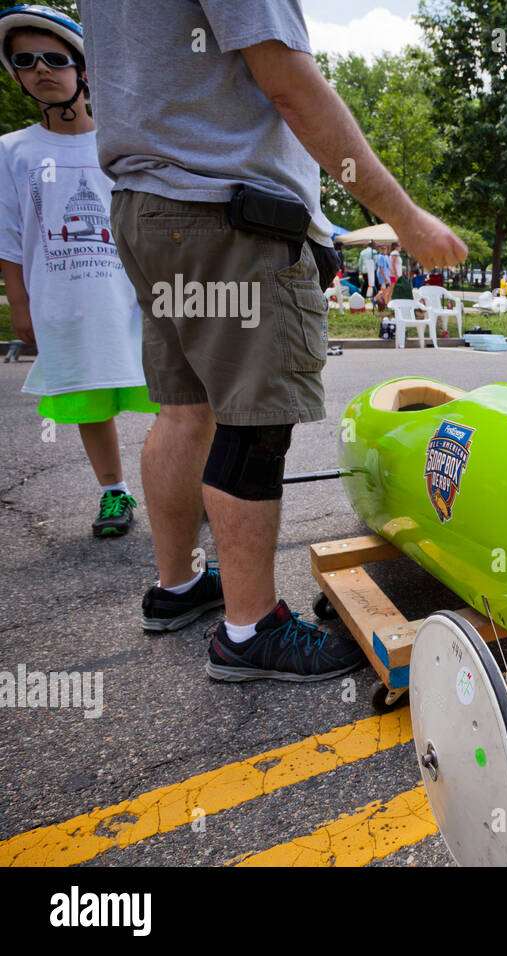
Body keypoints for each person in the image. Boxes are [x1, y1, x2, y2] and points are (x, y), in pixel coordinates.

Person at [81, 0, 466, 681]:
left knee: (186, 408)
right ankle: (248, 629)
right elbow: (287, 82)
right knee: (254, 422)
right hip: (229, 214)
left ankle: (177, 589)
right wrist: (403, 216)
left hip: (148, 205)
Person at [0, 4, 158, 539]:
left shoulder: (118, 141)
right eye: (26, 60)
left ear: (83, 69)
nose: (42, 69)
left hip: (133, 293)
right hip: (64, 299)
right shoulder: (12, 150)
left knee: (172, 396)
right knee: (91, 392)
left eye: (55, 58)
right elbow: (9, 234)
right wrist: (20, 303)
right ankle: (113, 491)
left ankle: (186, 483)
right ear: (16, 73)